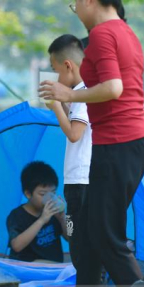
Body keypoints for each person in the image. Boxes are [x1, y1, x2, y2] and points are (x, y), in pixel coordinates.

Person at [40, 0, 144, 287]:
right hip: (126, 142)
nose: (75, 9)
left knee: (107, 235)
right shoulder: (126, 33)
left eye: (74, 2)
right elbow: (133, 96)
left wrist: (68, 94)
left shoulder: (104, 35)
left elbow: (113, 89)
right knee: (94, 229)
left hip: (119, 144)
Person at [45, 34, 92, 269]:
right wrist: (61, 104)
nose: (56, 78)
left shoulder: (84, 92)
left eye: (56, 71)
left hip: (81, 181)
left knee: (77, 237)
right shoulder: (83, 94)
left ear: (67, 66)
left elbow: (74, 134)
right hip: (78, 179)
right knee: (76, 236)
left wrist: (55, 108)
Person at [6, 162, 66, 263]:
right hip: (28, 268)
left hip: (54, 268)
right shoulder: (16, 216)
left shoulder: (55, 212)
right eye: (43, 194)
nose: (49, 198)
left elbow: (71, 237)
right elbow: (16, 246)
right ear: (28, 194)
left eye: (53, 193)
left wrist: (63, 218)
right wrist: (42, 220)